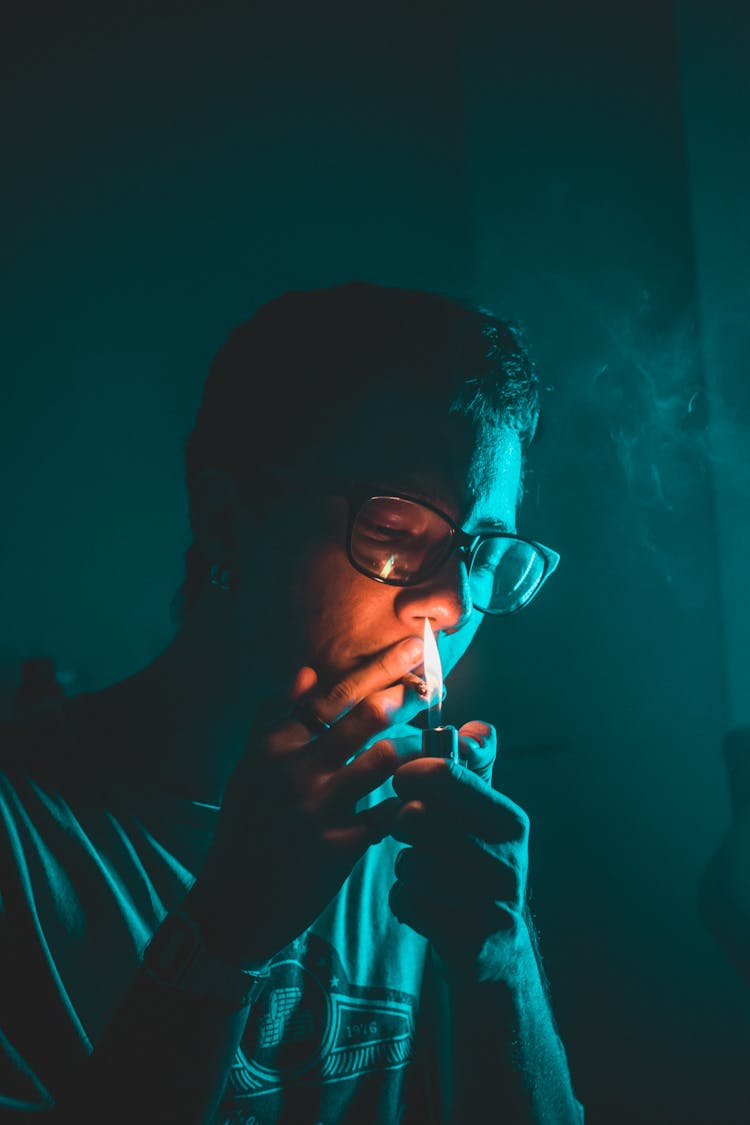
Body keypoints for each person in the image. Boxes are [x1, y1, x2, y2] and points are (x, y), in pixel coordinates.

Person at [0, 281, 584, 1123]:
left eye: (485, 552)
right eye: (391, 531)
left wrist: (500, 956)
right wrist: (222, 938)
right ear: (229, 520)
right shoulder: (27, 839)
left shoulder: (416, 846)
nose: (450, 607)